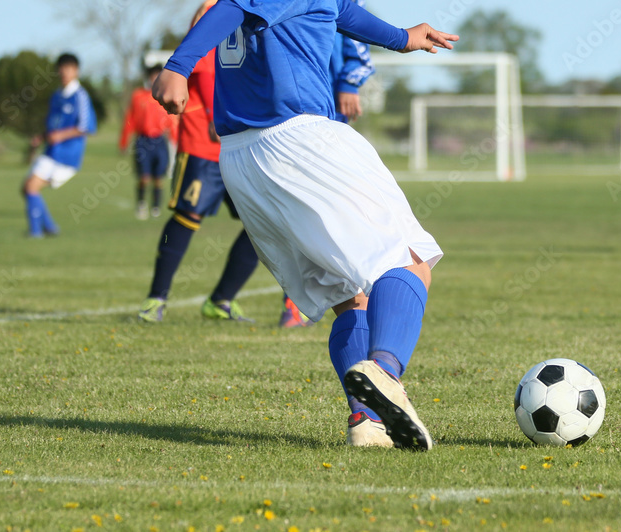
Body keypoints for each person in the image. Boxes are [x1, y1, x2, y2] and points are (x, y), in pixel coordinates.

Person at [153, 0, 457, 450]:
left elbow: (343, 12)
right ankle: (386, 373)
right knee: (410, 258)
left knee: (346, 294)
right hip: (298, 138)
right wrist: (177, 66)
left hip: (240, 156)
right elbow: (232, 11)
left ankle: (367, 422)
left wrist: (402, 38)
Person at [137, 0, 259, 323]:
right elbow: (204, 65)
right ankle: (155, 299)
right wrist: (213, 115)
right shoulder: (214, 6)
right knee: (186, 218)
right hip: (205, 141)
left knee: (263, 224)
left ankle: (221, 300)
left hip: (242, 143)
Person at [278, 0, 376, 329]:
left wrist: (349, 84)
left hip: (328, 112)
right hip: (285, 115)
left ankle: (360, 292)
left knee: (339, 206)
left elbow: (361, 47)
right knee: (295, 207)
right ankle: (295, 303)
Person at [22, 53, 96, 238]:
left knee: (31, 187)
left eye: (69, 68)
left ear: (76, 71)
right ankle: (49, 228)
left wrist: (61, 135)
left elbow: (86, 127)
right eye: (61, 68)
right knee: (28, 188)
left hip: (68, 156)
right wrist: (41, 137)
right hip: (51, 152)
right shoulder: (56, 96)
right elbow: (53, 125)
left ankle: (36, 233)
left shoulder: (80, 96)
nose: (64, 72)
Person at [120, 65, 178, 220]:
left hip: (160, 141)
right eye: (153, 76)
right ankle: (141, 204)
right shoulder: (139, 96)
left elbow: (172, 120)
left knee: (159, 177)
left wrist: (175, 139)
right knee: (144, 177)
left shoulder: (165, 95)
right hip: (143, 141)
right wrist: (124, 141)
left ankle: (156, 206)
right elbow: (129, 119)